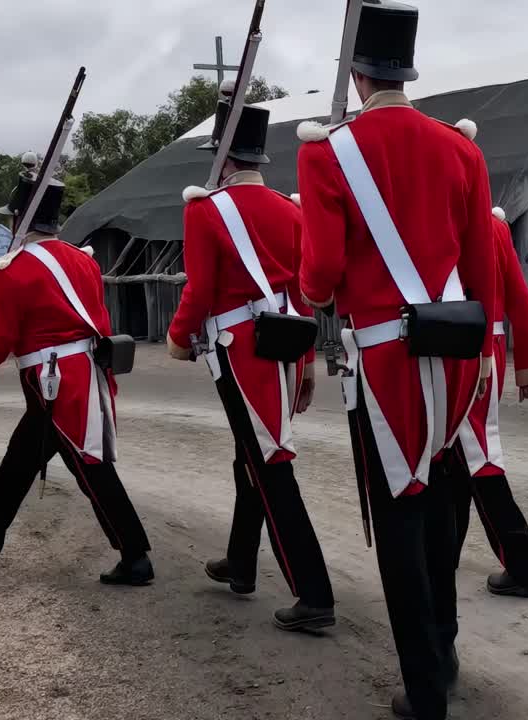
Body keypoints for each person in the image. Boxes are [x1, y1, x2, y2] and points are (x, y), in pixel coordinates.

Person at [295, 3, 497, 717]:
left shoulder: (326, 152)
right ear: (406, 75)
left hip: (386, 359)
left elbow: (317, 273)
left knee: (402, 517)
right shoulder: (460, 148)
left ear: (356, 79)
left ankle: (425, 691)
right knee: (443, 498)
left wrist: (317, 289)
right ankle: (442, 648)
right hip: (461, 349)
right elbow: (480, 266)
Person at [168, 101, 335, 633]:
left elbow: (201, 287)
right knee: (252, 456)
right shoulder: (292, 211)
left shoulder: (204, 210)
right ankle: (242, 562)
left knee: (269, 462)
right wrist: (307, 362)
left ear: (222, 160)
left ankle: (314, 592)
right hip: (285, 344)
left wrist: (177, 337)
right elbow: (301, 294)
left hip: (241, 349)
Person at [0, 175, 155, 586]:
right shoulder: (83, 259)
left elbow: (0, 336)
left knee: (90, 466)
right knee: (27, 447)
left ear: (19, 221)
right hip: (83, 370)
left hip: (53, 378)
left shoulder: (8, 271)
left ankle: (135, 555)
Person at [452, 208, 528, 598]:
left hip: (456, 347)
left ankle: (523, 566)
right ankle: (445, 549)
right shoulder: (493, 225)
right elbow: (519, 295)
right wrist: (527, 364)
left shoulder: (447, 218)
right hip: (485, 345)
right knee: (455, 454)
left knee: (479, 455)